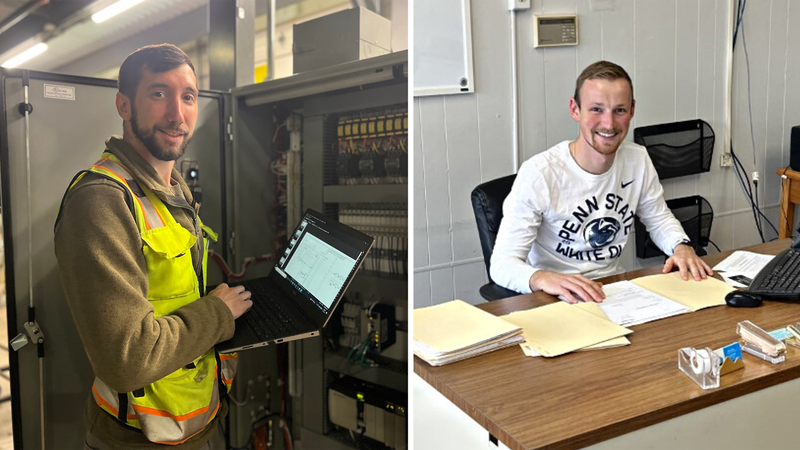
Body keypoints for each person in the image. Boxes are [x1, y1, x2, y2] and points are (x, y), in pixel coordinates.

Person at [54, 44, 252, 449]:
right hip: (138, 437)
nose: (177, 114)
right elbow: (127, 359)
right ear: (124, 105)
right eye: (159, 94)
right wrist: (218, 312)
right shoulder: (102, 200)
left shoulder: (170, 190)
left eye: (188, 97)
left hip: (194, 422)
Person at [490, 60, 713, 304]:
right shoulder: (540, 173)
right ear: (575, 109)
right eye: (596, 109)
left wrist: (681, 246)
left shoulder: (637, 159)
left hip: (611, 291)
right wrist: (542, 278)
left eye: (619, 110)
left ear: (632, 110)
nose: (609, 123)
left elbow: (658, 218)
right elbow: (502, 264)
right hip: (553, 298)